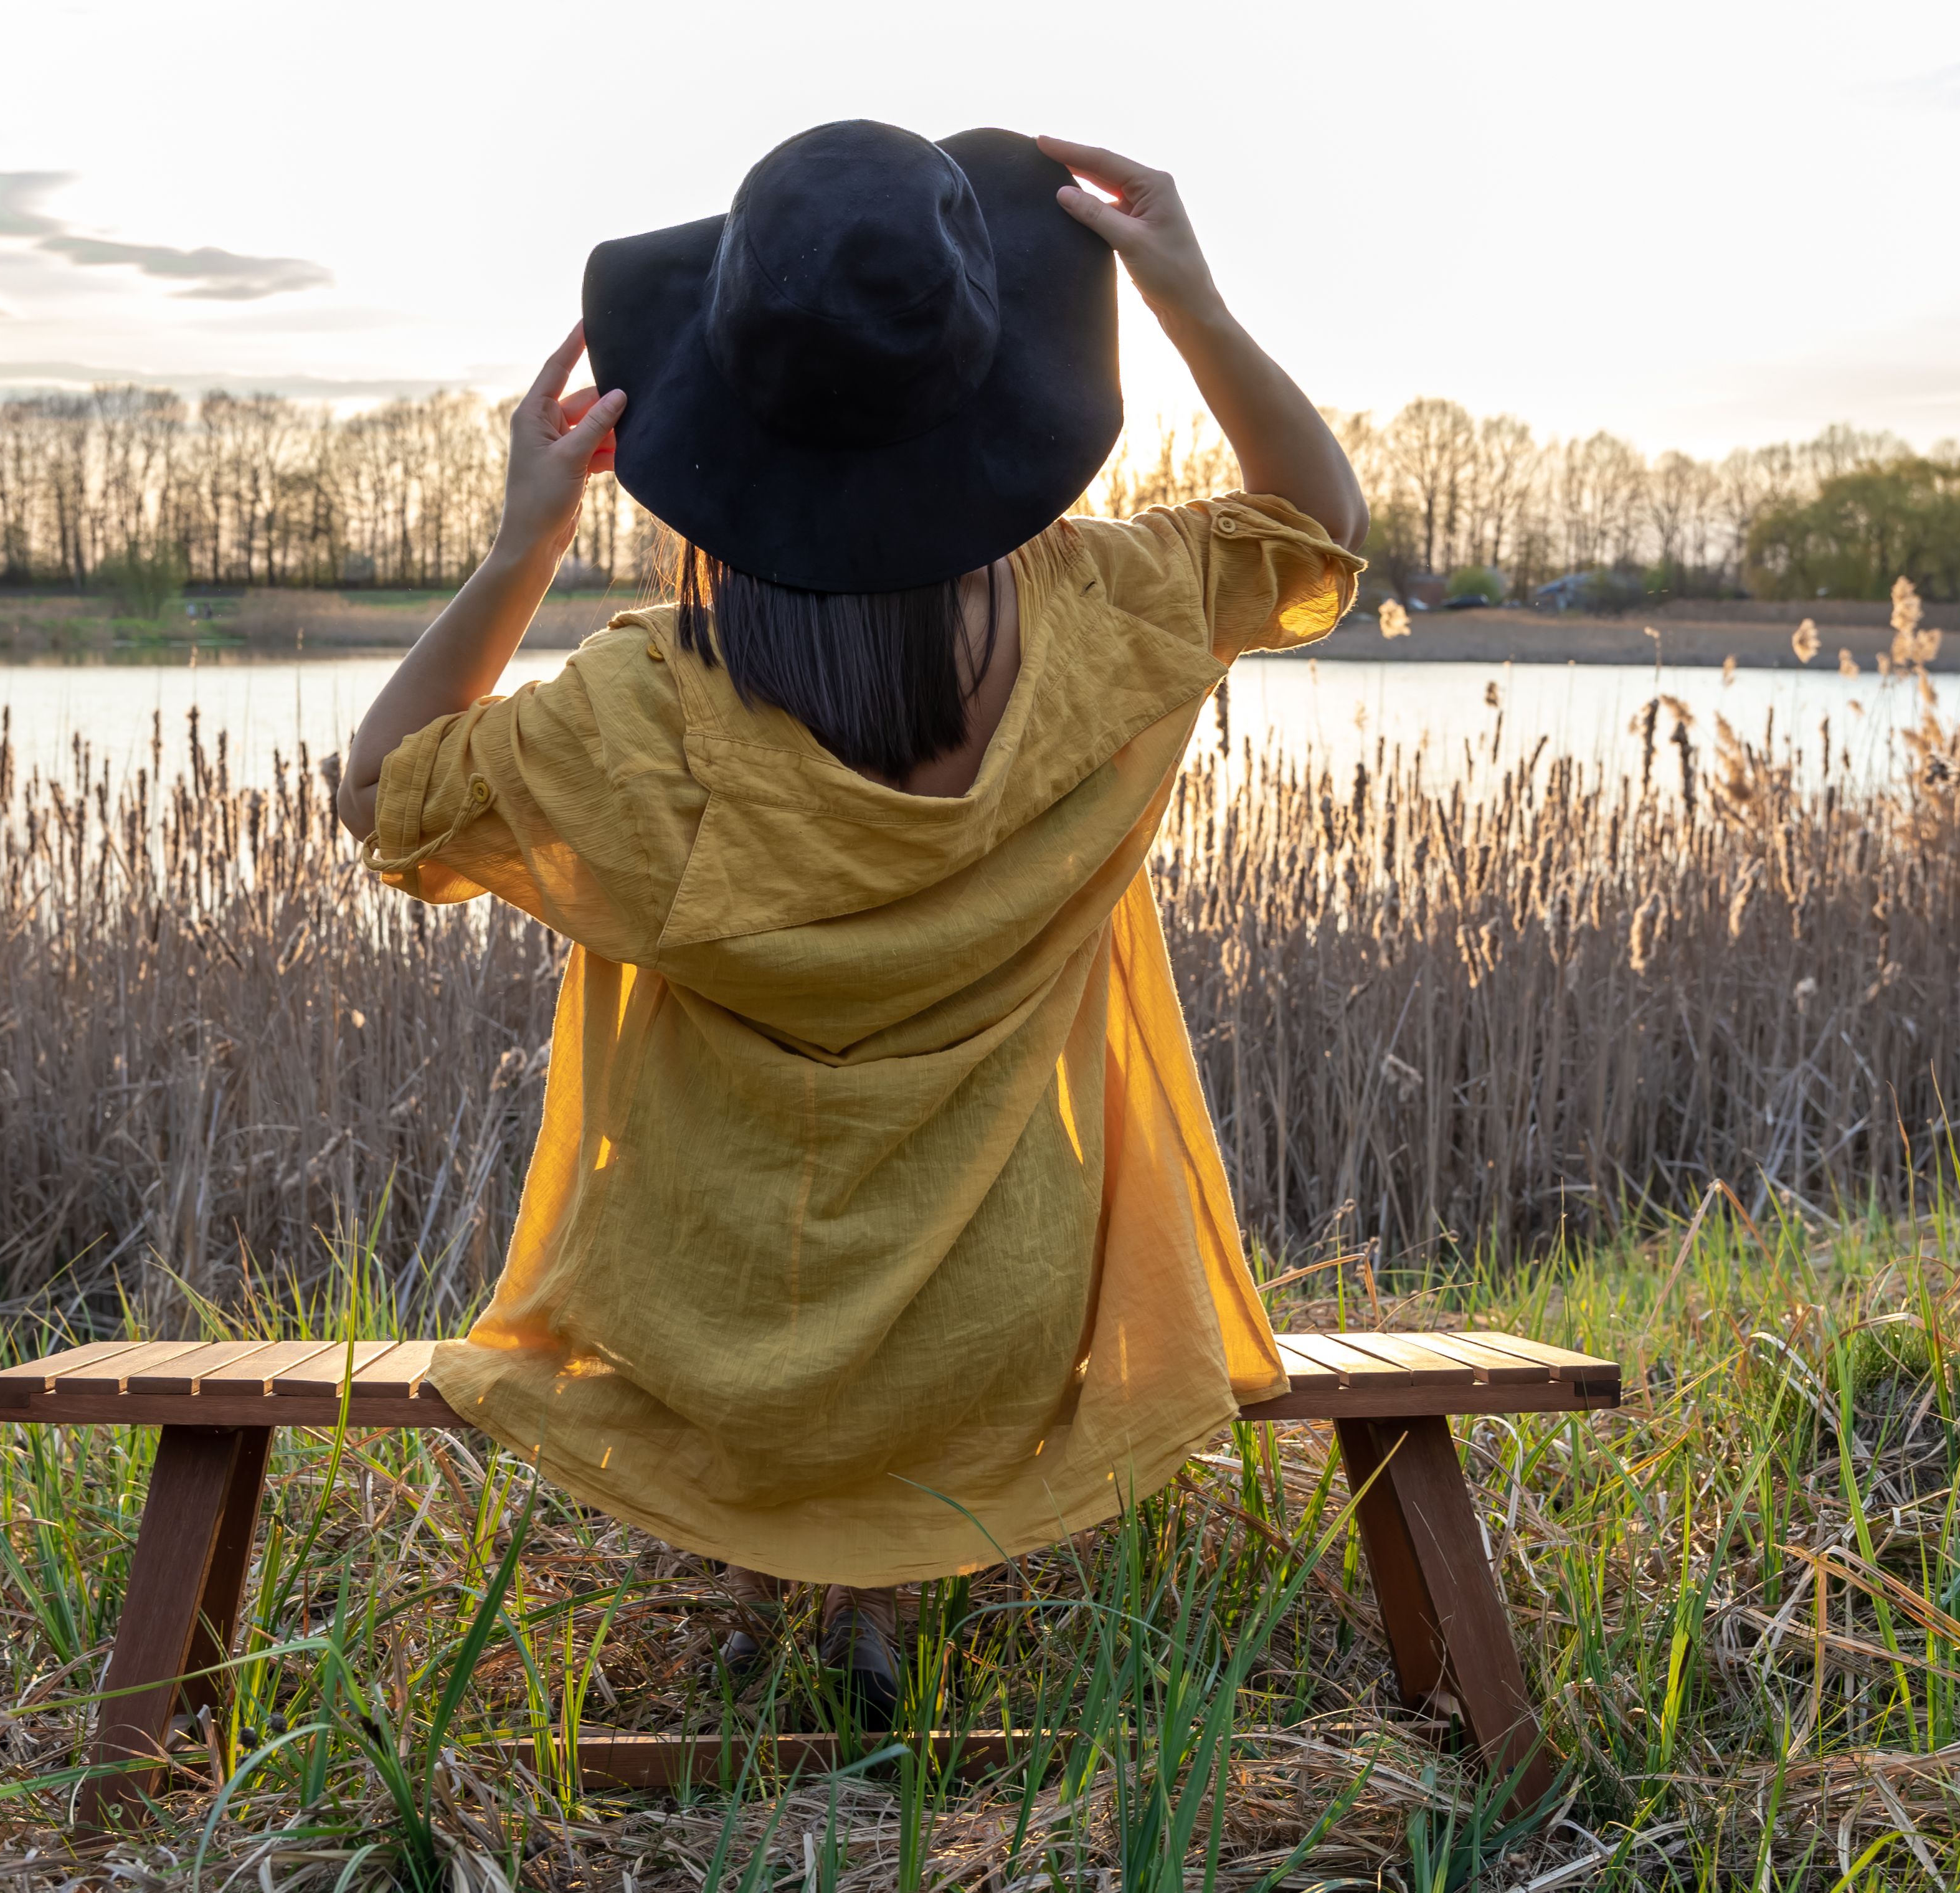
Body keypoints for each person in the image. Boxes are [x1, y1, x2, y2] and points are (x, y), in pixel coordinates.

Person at [337, 122, 1365, 1724]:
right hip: (1004, 1327)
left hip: (707, 1333)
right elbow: (1315, 529)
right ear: (992, 374)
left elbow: (381, 792)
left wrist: (522, 538)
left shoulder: (643, 712)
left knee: (752, 1260)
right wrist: (1190, 301)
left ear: (722, 402)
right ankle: (866, 1596)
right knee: (929, 1297)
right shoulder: (1111, 617)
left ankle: (777, 1571)